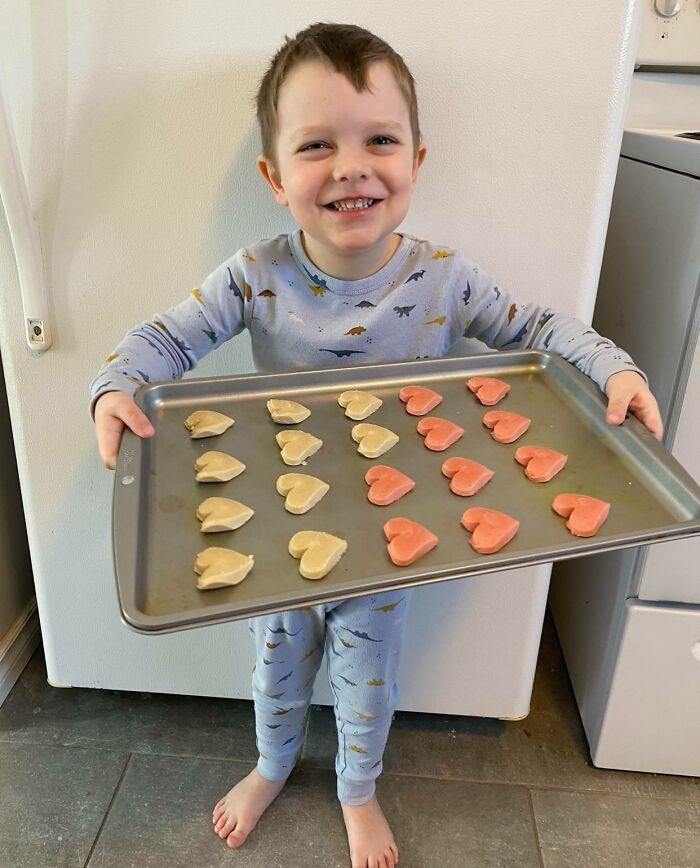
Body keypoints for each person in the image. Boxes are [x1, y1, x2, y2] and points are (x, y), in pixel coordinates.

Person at [90, 21, 663, 868]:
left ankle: (357, 788)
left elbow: (536, 328)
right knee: (275, 669)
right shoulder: (255, 275)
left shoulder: (444, 277)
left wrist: (609, 368)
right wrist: (113, 384)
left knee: (366, 682)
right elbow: (168, 340)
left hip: (397, 541)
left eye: (380, 140)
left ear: (418, 161)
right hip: (275, 531)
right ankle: (271, 764)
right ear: (274, 177)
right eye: (317, 144)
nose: (352, 166)